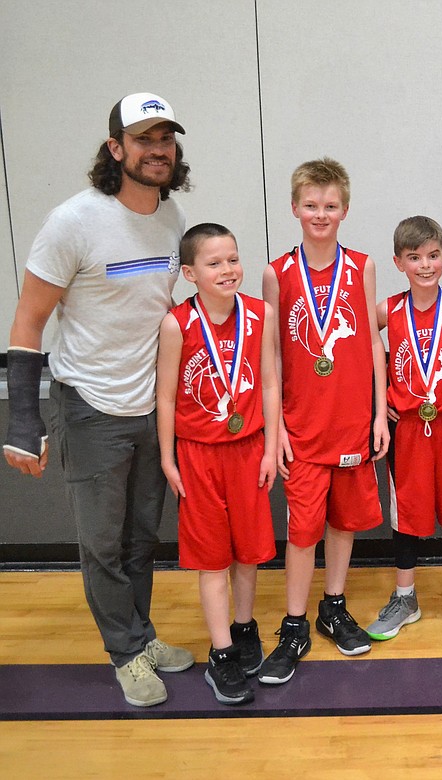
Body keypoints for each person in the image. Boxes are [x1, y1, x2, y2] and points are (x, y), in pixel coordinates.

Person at [4, 92, 195, 707]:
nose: (157, 150)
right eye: (143, 139)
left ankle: (140, 635)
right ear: (116, 149)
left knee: (142, 539)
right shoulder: (73, 222)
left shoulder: (170, 218)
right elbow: (28, 322)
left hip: (150, 410)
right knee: (101, 544)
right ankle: (125, 654)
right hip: (90, 407)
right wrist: (22, 419)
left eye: (165, 138)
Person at [257, 158, 390, 685]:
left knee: (344, 523)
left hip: (353, 419)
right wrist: (278, 427)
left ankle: (332, 607)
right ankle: (294, 625)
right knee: (303, 531)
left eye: (330, 206)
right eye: (311, 205)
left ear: (345, 210)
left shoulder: (362, 266)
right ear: (294, 208)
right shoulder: (277, 272)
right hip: (303, 424)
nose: (320, 213)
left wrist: (380, 413)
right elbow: (270, 357)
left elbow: (375, 346)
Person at [156, 223, 280, 705]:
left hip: (248, 449)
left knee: (249, 552)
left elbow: (269, 384)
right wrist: (168, 458)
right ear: (189, 273)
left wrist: (270, 447)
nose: (228, 270)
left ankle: (244, 628)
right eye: (214, 263)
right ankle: (222, 654)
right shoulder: (177, 324)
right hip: (198, 455)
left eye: (233, 259)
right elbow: (165, 396)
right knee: (212, 558)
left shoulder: (259, 314)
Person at [367, 216, 442, 643]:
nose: (425, 265)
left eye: (433, 256)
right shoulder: (386, 310)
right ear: (399, 262)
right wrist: (378, 403)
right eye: (414, 257)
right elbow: (356, 348)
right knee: (406, 515)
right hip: (408, 429)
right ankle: (405, 597)